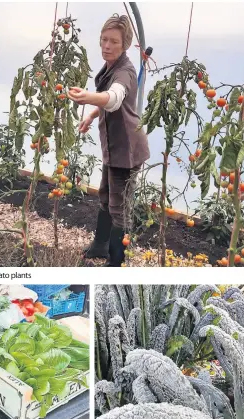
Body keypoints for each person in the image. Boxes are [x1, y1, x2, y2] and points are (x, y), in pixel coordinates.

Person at [68, 14, 150, 267]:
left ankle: (116, 262)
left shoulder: (125, 71)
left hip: (127, 150)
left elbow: (114, 98)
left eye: (113, 41)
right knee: (106, 195)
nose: (106, 46)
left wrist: (88, 98)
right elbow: (113, 103)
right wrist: (93, 114)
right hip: (114, 147)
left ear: (124, 44)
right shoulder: (111, 66)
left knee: (119, 207)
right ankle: (100, 246)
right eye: (104, 40)